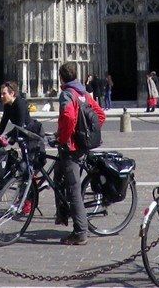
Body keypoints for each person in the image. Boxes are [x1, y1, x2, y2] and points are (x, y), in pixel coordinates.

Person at [55, 62, 106, 245]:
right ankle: (62, 215)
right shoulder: (83, 93)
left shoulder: (68, 93)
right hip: (81, 146)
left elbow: (68, 116)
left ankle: (80, 232)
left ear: (61, 77)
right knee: (58, 175)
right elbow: (100, 115)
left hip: (72, 148)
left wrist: (66, 138)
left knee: (74, 189)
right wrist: (89, 135)